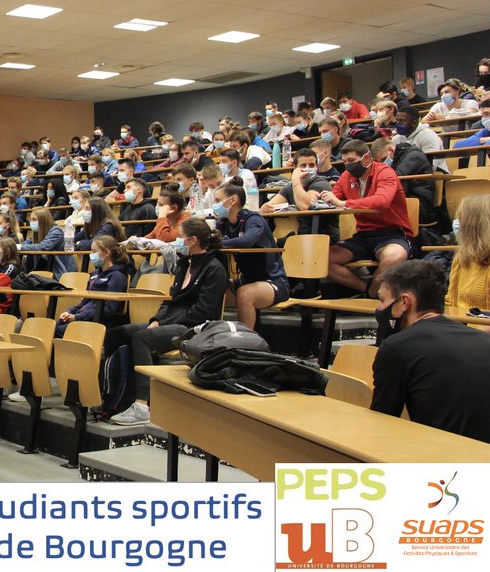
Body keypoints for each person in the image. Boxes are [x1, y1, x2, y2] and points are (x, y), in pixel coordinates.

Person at [103, 218, 228, 425]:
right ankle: (116, 395)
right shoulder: (184, 263)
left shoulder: (214, 268)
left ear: (193, 240)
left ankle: (142, 404)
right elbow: (170, 300)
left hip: (196, 327)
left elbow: (203, 311)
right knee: (115, 333)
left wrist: (162, 323)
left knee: (142, 337)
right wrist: (157, 319)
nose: (175, 241)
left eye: (179, 237)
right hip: (171, 321)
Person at [370, 261, 490, 445]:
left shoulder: (397, 347)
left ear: (405, 302)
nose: (380, 309)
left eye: (382, 300)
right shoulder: (486, 340)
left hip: (443, 463)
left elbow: (382, 424)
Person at [321, 140, 413, 298]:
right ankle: (368, 290)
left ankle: (373, 293)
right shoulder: (346, 176)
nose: (348, 165)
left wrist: (344, 203)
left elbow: (382, 201)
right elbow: (333, 198)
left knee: (393, 257)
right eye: (344, 161)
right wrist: (320, 198)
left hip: (392, 233)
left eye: (351, 161)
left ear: (367, 158)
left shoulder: (385, 172)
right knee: (321, 260)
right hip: (363, 235)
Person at [215, 180, 288, 329]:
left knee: (244, 294)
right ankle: (210, 336)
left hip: (273, 282)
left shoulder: (253, 219)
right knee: (211, 288)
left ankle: (246, 343)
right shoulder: (223, 223)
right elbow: (211, 240)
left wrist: (217, 243)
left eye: (218, 200)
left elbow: (247, 241)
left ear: (232, 200)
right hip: (246, 280)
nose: (215, 205)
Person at [55, 236, 132, 337]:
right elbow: (85, 300)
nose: (91, 255)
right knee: (53, 327)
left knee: (59, 331)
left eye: (94, 251)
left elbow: (109, 310)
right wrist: (69, 312)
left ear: (106, 253)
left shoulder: (117, 276)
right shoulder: (95, 274)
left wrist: (77, 317)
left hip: (99, 321)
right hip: (83, 316)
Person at [260, 148, 339, 240]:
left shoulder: (321, 183)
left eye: (311, 165)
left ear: (317, 167)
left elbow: (305, 206)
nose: (308, 168)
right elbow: (271, 205)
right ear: (295, 168)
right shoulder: (291, 186)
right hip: (300, 237)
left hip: (324, 237)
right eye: (303, 165)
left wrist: (295, 179)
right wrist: (265, 207)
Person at [445, 194, 490, 327]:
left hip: (485, 338)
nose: (457, 224)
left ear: (473, 226)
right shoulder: (461, 258)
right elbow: (451, 302)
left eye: (461, 220)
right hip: (460, 329)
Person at [368, 138, 434, 226]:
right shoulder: (397, 159)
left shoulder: (414, 156)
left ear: (391, 150)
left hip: (420, 204)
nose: (382, 164)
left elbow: (394, 178)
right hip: (404, 200)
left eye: (383, 159)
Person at [20, 208, 73, 279]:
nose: (31, 222)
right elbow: (29, 242)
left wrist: (20, 247)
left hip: (60, 273)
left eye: (34, 219)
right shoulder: (37, 233)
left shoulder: (57, 231)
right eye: (31, 219)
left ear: (43, 220)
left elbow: (43, 246)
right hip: (45, 272)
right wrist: (17, 246)